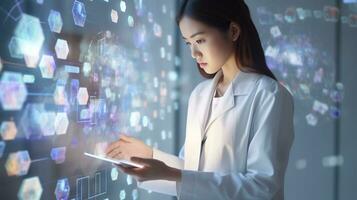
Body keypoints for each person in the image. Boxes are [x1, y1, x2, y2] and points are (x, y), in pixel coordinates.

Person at [105, 0, 294, 199]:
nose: (194, 53)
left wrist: (171, 173)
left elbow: (261, 187)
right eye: (188, 43)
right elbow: (191, 173)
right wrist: (149, 155)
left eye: (200, 40)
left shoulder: (269, 95)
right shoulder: (200, 95)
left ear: (233, 31)